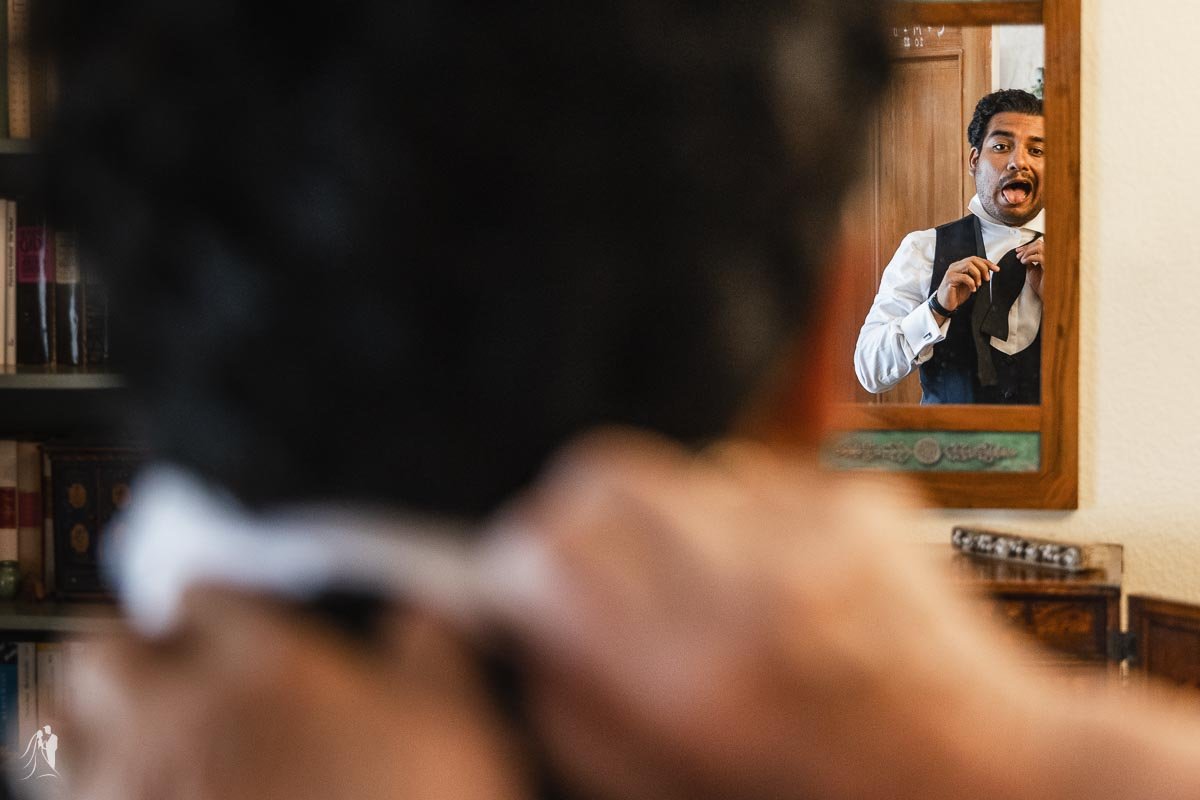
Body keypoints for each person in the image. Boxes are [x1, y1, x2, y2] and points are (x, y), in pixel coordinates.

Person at [26, 3, 1200, 800]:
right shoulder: (967, 757)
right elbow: (883, 360)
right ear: (811, 354)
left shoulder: (61, 743)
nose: (1019, 165)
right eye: (1004, 145)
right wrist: (1022, 748)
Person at [854, 89, 1046, 404]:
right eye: (1001, 146)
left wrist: (1066, 304)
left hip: (1051, 453)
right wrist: (935, 309)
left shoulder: (1079, 257)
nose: (1018, 162)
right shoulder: (923, 249)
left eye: (1036, 150)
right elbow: (869, 371)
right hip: (945, 451)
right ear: (975, 160)